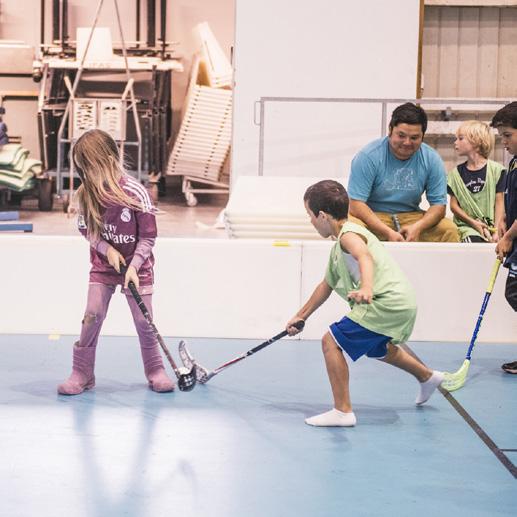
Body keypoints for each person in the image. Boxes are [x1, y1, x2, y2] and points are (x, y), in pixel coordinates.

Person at [286, 180, 443, 427]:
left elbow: (364, 257)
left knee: (331, 341)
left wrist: (367, 287)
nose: (311, 222)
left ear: (323, 216)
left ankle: (342, 411)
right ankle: (427, 377)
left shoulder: (349, 235)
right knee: (375, 347)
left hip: (386, 302)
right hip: (398, 301)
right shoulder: (339, 243)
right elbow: (325, 285)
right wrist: (301, 315)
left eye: (310, 216)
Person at [58, 129, 175, 395]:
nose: (87, 173)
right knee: (92, 315)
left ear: (109, 159)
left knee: (144, 321)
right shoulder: (86, 193)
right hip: (103, 266)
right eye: (83, 167)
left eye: (91, 165)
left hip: (138, 267)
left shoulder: (136, 192)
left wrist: (133, 267)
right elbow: (85, 229)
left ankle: (156, 370)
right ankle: (82, 373)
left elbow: (148, 237)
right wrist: (106, 248)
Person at [348, 102, 459, 242]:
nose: (407, 142)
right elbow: (356, 204)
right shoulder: (368, 156)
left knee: (449, 230)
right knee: (351, 230)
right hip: (373, 217)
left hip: (412, 218)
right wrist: (387, 231)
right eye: (401, 136)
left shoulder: (432, 159)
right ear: (390, 130)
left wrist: (418, 227)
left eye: (414, 138)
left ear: (423, 136)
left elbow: (438, 206)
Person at [448, 120, 506, 243]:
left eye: (460, 138)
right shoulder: (455, 175)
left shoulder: (497, 171)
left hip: (491, 228)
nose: (455, 142)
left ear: (476, 141)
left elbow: (500, 202)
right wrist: (473, 222)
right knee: (472, 241)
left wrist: (496, 230)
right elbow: (453, 206)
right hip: (466, 227)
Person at [491, 102, 517, 375]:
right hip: (515, 237)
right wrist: (503, 221)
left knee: (514, 293)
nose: (505, 142)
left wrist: (508, 236)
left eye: (508, 135)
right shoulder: (513, 162)